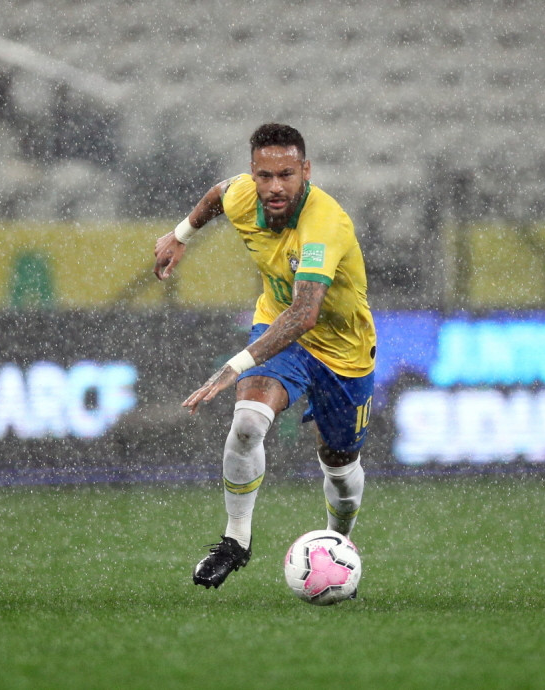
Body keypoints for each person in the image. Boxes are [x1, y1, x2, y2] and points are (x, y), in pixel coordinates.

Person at [153, 123, 376, 590]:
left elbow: (305, 313)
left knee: (340, 471)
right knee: (248, 424)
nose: (274, 187)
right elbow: (218, 193)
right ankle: (236, 540)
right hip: (279, 330)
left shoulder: (324, 223)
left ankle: (337, 545)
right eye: (264, 175)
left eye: (286, 175)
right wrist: (180, 235)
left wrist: (234, 366)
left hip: (342, 350)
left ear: (306, 172)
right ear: (253, 173)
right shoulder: (242, 196)